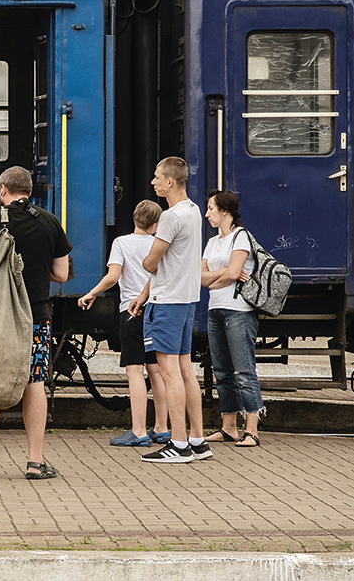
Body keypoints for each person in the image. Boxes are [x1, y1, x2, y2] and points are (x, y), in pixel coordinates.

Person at [0, 166, 71, 480]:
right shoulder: (50, 222)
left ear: (3, 189)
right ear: (29, 190)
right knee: (35, 382)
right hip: (35, 318)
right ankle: (35, 462)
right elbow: (61, 274)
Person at [128, 157, 212, 464]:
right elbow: (173, 263)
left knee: (168, 373)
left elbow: (152, 262)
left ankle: (177, 444)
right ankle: (198, 440)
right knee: (186, 370)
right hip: (187, 299)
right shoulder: (193, 211)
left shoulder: (169, 218)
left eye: (156, 177)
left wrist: (145, 262)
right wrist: (143, 295)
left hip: (166, 303)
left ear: (170, 182)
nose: (152, 182)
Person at [78, 200, 170, 447]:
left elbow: (113, 277)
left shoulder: (121, 243)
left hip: (131, 312)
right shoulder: (159, 244)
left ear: (135, 219)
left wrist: (92, 293)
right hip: (156, 310)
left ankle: (138, 431)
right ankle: (161, 427)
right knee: (156, 371)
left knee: (134, 372)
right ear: (154, 225)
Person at [200, 190, 262, 448]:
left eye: (211, 209)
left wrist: (218, 277)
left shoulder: (241, 237)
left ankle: (252, 430)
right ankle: (229, 428)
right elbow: (200, 277)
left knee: (244, 371)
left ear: (225, 211)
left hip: (239, 310)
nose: (207, 214)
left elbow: (232, 272)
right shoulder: (213, 242)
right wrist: (225, 274)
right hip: (215, 309)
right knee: (223, 372)